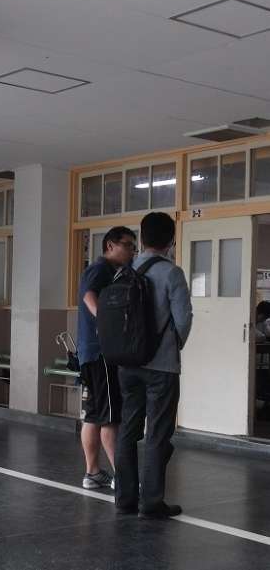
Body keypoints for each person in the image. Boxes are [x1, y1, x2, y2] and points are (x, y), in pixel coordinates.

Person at [115, 212, 192, 518]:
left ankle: (124, 498)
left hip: (127, 363)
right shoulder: (172, 273)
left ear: (142, 237)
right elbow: (183, 319)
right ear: (171, 239)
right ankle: (151, 502)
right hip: (162, 367)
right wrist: (173, 346)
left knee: (128, 430)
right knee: (157, 434)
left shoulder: (125, 271)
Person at [77, 226, 137, 489]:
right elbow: (88, 295)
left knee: (94, 415)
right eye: (128, 245)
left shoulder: (115, 272)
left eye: (134, 246)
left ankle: (92, 473)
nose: (132, 251)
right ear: (110, 245)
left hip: (90, 353)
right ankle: (122, 477)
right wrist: (107, 322)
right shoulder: (100, 269)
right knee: (111, 417)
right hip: (101, 353)